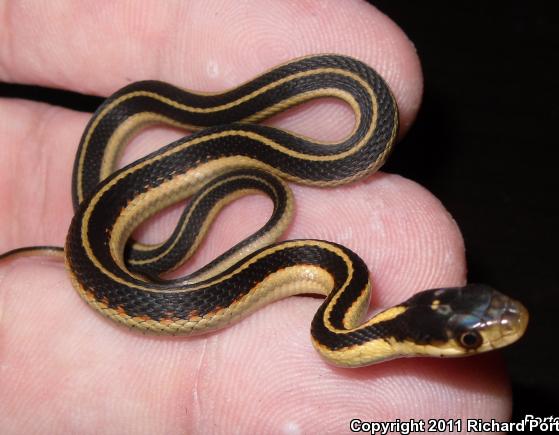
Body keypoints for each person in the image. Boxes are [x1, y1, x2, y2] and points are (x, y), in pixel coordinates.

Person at [0, 1, 512, 432]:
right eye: (470, 338)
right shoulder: (346, 275)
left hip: (157, 271)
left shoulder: (342, 303)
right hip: (120, 274)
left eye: (470, 338)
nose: (482, 339)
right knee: (135, 203)